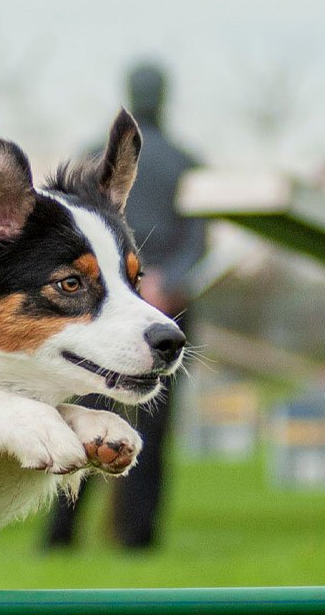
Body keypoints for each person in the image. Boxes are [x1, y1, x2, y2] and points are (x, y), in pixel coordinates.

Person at [46, 61, 207, 551]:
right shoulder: (188, 162)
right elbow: (198, 241)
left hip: (97, 307)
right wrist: (163, 283)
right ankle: (137, 537)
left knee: (82, 414)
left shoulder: (90, 156)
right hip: (165, 310)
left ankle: (60, 536)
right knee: (152, 428)